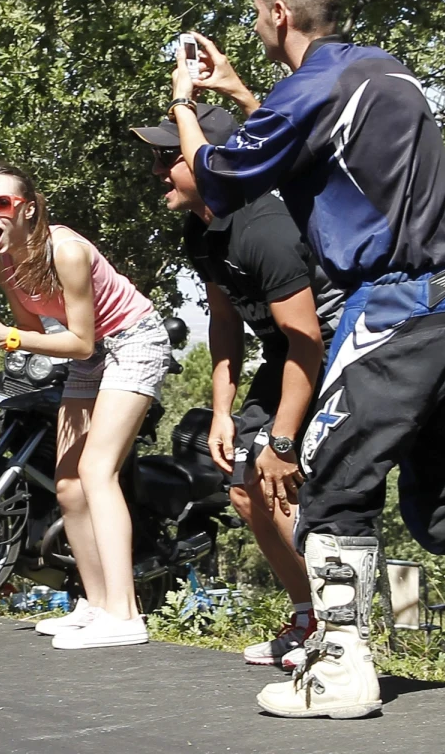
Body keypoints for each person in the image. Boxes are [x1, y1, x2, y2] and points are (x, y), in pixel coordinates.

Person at [170, 0, 445, 718]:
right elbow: (308, 129)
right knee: (444, 486)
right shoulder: (384, 71)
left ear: (277, 15)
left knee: (332, 482)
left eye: (259, 11)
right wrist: (239, 89)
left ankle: (339, 670)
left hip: (392, 307)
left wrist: (183, 101)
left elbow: (218, 173)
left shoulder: (311, 88)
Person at [131, 102, 343, 670]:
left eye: (167, 158)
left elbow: (309, 343)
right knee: (246, 490)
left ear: (211, 162)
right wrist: (223, 411)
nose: (157, 172)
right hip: (285, 355)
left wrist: (282, 439)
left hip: (332, 352)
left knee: (290, 483)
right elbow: (225, 322)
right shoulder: (201, 232)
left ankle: (342, 630)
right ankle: (308, 616)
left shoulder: (265, 229)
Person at [0, 163, 171, 650]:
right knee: (68, 485)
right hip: (90, 354)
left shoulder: (66, 251)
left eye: (1, 204)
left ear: (27, 209)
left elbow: (82, 341)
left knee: (97, 471)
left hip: (132, 342)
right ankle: (97, 604)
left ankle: (126, 614)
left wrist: (8, 336)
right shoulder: (0, 259)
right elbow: (38, 336)